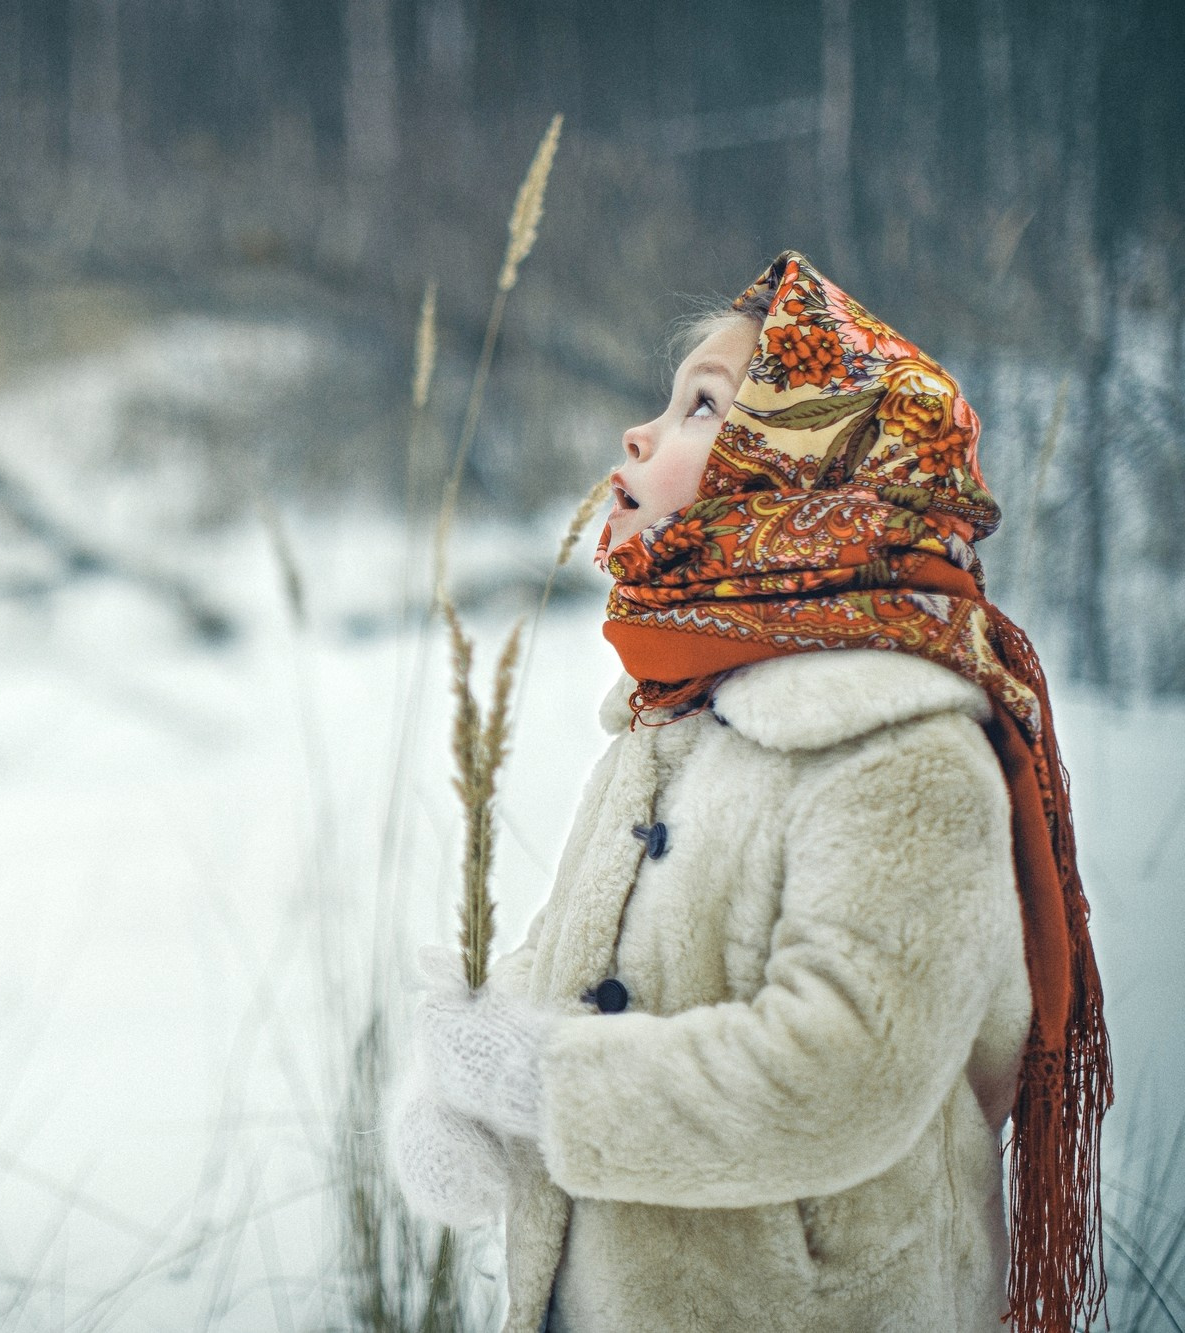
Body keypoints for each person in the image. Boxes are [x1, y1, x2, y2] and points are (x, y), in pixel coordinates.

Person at [387, 252, 1111, 1333]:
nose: (637, 434)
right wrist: (463, 1093)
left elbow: (841, 1073)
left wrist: (544, 1084)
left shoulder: (896, 746)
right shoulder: (672, 718)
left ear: (801, 472)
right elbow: (570, 978)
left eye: (700, 407)